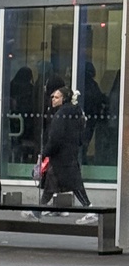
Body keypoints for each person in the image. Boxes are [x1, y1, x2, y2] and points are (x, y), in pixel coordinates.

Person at [39, 86, 94, 216]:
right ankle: (43, 208)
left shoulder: (60, 115)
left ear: (64, 99)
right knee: (51, 182)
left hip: (62, 155)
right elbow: (82, 132)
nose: (53, 99)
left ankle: (89, 209)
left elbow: (55, 138)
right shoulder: (77, 112)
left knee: (75, 183)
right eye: (52, 96)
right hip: (69, 152)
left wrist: (45, 152)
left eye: (57, 97)